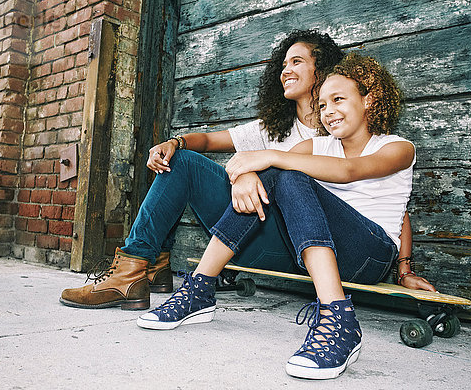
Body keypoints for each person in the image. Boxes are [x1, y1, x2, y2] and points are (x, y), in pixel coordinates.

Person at [59, 29, 425, 311]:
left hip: (341, 248)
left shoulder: (373, 142)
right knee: (185, 161)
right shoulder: (290, 135)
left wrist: (404, 268)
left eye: (297, 62)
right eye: (283, 64)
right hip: (275, 239)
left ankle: (329, 311)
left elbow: (380, 194)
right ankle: (140, 270)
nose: (286, 70)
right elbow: (247, 159)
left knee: (285, 172)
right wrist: (237, 167)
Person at [137, 53, 432, 380]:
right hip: (324, 253)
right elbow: (272, 173)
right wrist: (248, 174)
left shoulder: (397, 147)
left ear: (369, 99)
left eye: (338, 99)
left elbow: (351, 172)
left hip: (371, 255)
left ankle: (339, 319)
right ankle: (200, 289)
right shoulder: (318, 146)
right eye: (321, 105)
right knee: (285, 173)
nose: (328, 111)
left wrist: (404, 270)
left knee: (288, 172)